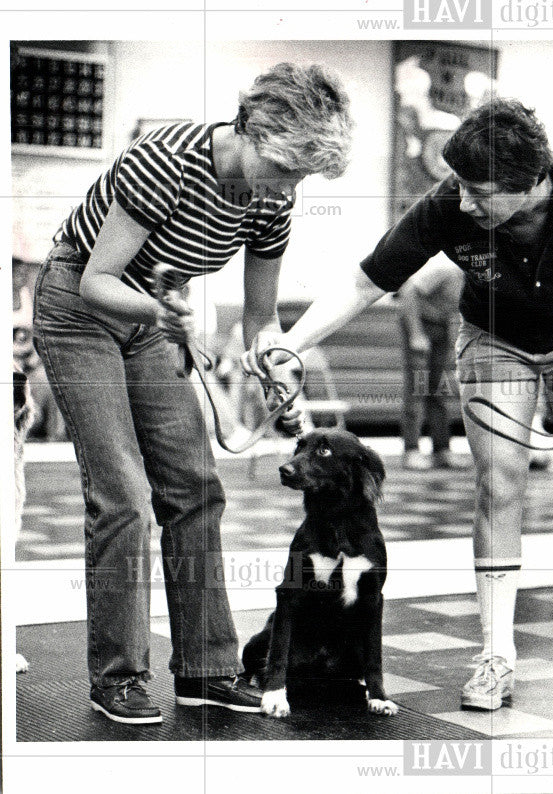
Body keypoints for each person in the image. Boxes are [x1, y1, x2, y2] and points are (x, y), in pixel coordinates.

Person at [246, 97, 553, 713]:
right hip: (496, 340)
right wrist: (290, 346)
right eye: (460, 186)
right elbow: (368, 282)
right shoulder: (451, 202)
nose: (462, 200)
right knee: (498, 485)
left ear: (530, 184)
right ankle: (496, 656)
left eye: (480, 191)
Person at [32, 62, 353, 724]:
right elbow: (98, 279)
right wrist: (161, 315)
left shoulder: (273, 199)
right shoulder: (166, 162)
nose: (289, 186)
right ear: (254, 129)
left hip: (151, 314)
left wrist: (276, 365)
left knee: (195, 486)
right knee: (123, 493)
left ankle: (207, 669)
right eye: (286, 166)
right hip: (80, 304)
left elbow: (260, 320)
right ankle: (117, 675)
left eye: (300, 176)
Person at [395, 255, 466, 470]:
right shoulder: (447, 270)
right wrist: (416, 334)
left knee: (439, 389)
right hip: (419, 324)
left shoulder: (478, 277)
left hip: (441, 326)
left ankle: (442, 450)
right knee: (417, 388)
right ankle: (411, 451)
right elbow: (408, 293)